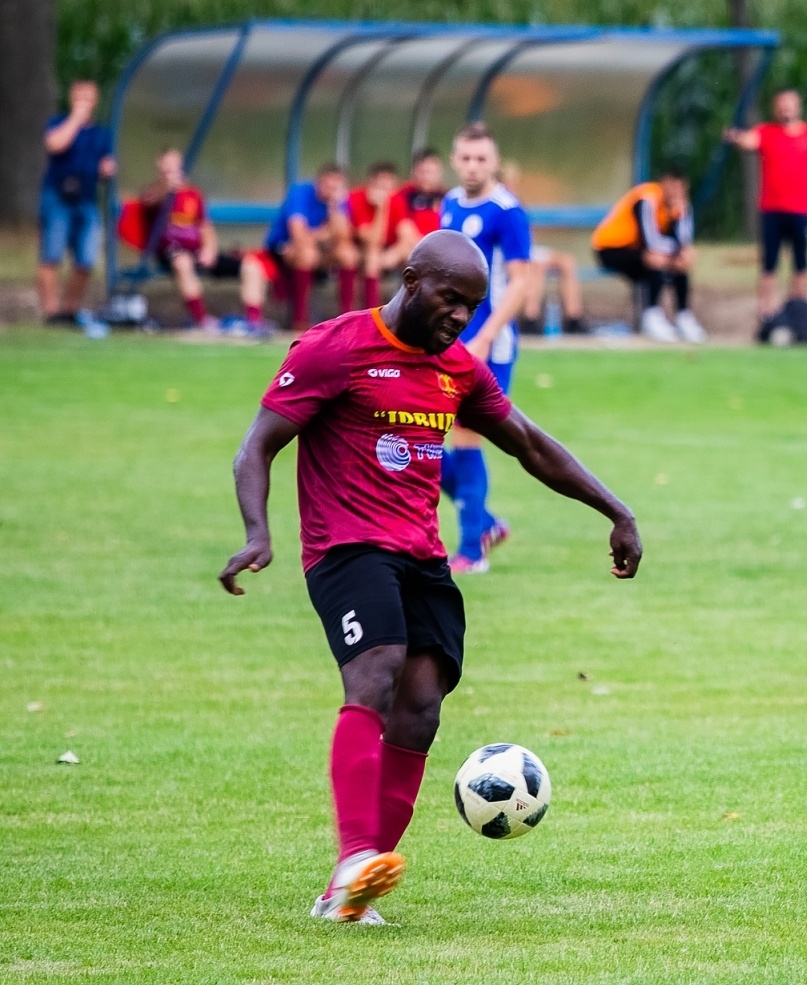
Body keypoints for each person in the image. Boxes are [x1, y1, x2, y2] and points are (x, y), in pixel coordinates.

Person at [218, 230, 642, 924]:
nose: (460, 316)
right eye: (451, 299)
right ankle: (356, 853)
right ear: (411, 279)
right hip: (346, 549)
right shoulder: (336, 346)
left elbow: (530, 444)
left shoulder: (455, 368)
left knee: (420, 703)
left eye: (473, 306)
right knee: (377, 670)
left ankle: (350, 891)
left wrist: (615, 509)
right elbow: (256, 445)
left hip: (422, 556)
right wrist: (257, 530)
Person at [438, 123, 533, 573]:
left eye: (482, 159)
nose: (473, 166)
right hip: (446, 341)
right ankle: (485, 524)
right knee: (415, 433)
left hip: (487, 348)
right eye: (466, 158)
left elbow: (520, 283)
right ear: (454, 160)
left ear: (494, 162)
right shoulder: (450, 203)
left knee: (464, 436)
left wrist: (485, 336)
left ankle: (471, 552)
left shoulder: (507, 212)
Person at [724, 89, 807, 323]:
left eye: (789, 104)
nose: (786, 109)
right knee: (769, 262)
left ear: (798, 107)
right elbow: (748, 140)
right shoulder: (766, 132)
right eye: (781, 105)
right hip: (772, 209)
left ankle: (797, 308)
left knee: (801, 261)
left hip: (802, 209)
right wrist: (735, 136)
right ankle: (766, 312)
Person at [590, 169, 704, 343]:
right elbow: (649, 239)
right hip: (610, 248)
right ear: (664, 183)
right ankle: (651, 315)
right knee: (655, 260)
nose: (677, 192)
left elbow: (684, 240)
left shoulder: (678, 205)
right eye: (673, 187)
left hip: (639, 251)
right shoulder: (647, 198)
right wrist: (675, 253)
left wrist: (682, 252)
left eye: (681, 189)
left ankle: (683, 315)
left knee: (678, 265)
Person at [240, 162, 353, 332]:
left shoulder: (338, 201)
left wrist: (335, 209)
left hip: (318, 252)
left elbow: (345, 238)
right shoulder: (300, 193)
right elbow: (299, 237)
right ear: (318, 182)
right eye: (327, 185)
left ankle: (348, 320)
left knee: (348, 254)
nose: (331, 191)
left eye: (335, 187)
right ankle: (299, 322)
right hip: (281, 253)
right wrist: (326, 233)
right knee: (307, 254)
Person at [39, 80, 115, 325]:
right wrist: (75, 119)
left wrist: (107, 170)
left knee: (86, 259)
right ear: (72, 99)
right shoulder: (58, 123)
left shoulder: (101, 134)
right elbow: (55, 144)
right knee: (51, 255)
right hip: (58, 197)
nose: (84, 103)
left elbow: (107, 166)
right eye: (79, 98)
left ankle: (69, 310)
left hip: (86, 199)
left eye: (89, 99)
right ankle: (51, 312)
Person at [499, 161, 588, 337]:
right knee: (535, 265)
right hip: (510, 254)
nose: (512, 185)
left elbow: (528, 233)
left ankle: (573, 318)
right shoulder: (499, 205)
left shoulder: (517, 202)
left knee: (567, 261)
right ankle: (531, 318)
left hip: (529, 248)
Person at [134, 147, 218, 329]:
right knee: (183, 262)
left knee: (248, 264)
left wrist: (209, 248)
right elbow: (150, 202)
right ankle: (201, 319)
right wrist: (167, 187)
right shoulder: (155, 191)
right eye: (167, 165)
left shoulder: (193, 193)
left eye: (175, 164)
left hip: (195, 250)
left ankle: (252, 321)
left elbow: (205, 225)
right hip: (170, 251)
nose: (172, 169)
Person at [340, 161, 402, 313]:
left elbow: (405, 233)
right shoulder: (357, 198)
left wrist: (395, 254)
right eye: (380, 183)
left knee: (380, 257)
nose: (384, 189)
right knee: (368, 257)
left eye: (388, 183)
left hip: (382, 251)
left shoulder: (398, 200)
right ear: (371, 182)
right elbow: (371, 241)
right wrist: (382, 208)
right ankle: (352, 314)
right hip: (358, 248)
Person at [382, 149, 447, 277]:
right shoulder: (404, 195)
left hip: (439, 251)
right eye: (422, 172)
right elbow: (404, 230)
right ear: (414, 172)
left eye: (430, 172)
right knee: (404, 250)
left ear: (439, 173)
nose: (426, 177)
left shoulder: (448, 198)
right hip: (412, 249)